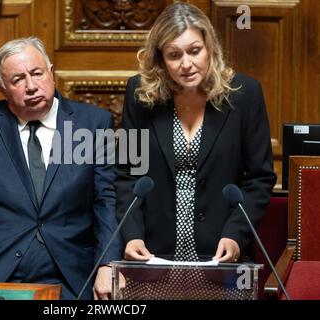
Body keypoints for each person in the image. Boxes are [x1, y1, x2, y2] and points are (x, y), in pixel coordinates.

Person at [0, 36, 122, 300]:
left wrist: (107, 263)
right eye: (18, 80)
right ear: (2, 89)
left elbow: (106, 201)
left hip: (71, 273)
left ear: (52, 73)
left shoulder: (93, 123)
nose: (31, 86)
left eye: (37, 73)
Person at [115, 2, 276, 264]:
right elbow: (126, 174)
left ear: (210, 47)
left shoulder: (245, 94)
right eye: (174, 55)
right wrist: (132, 234)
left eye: (194, 51)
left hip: (222, 254)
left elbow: (260, 178)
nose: (186, 64)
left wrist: (236, 234)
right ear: (160, 58)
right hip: (154, 255)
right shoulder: (140, 94)